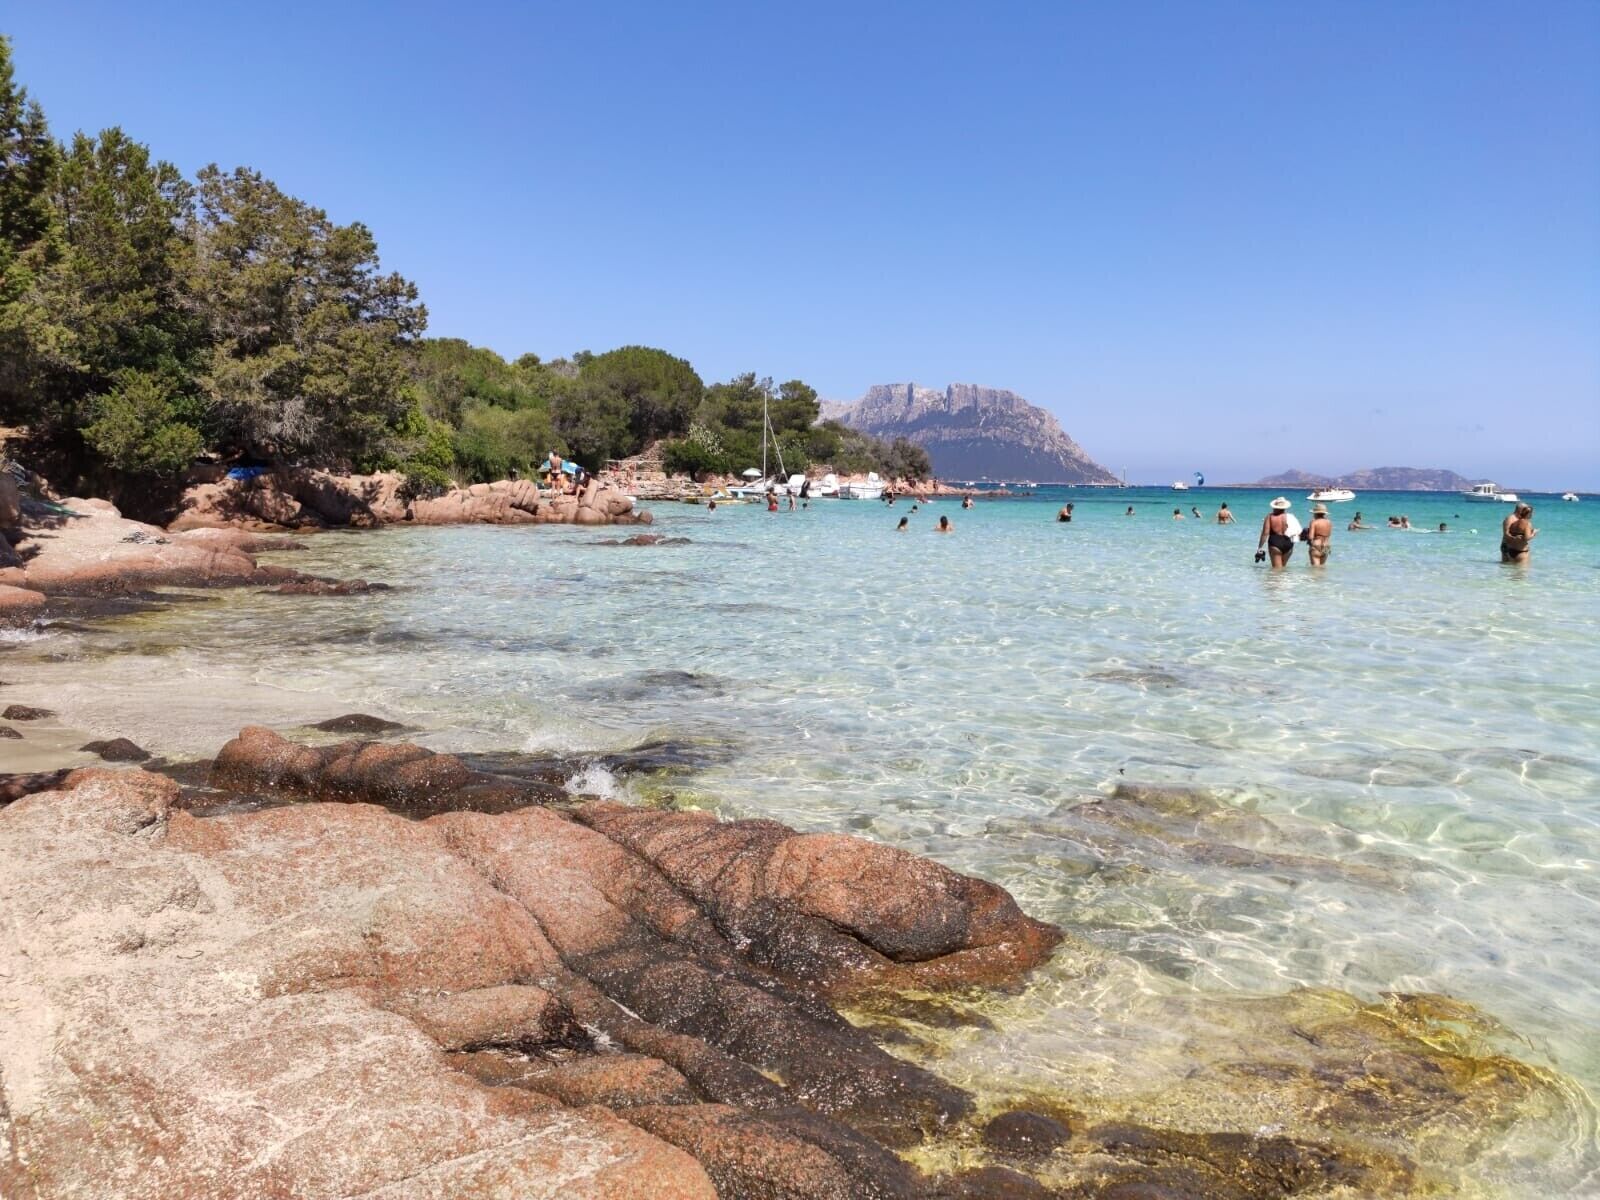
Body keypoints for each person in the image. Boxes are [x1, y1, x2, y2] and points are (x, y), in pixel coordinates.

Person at [1257, 496, 1297, 568]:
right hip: (1288, 542)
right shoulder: (1290, 516)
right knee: (1283, 567)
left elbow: (1265, 533)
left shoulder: (1270, 516)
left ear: (1274, 507)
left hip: (1275, 542)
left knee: (1277, 569)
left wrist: (1260, 547)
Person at [1306, 503, 1332, 567]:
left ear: (1315, 513)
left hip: (1316, 545)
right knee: (1322, 567)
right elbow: (1328, 535)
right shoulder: (1329, 522)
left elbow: (1311, 537)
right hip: (1326, 546)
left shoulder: (1314, 522)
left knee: (1316, 569)